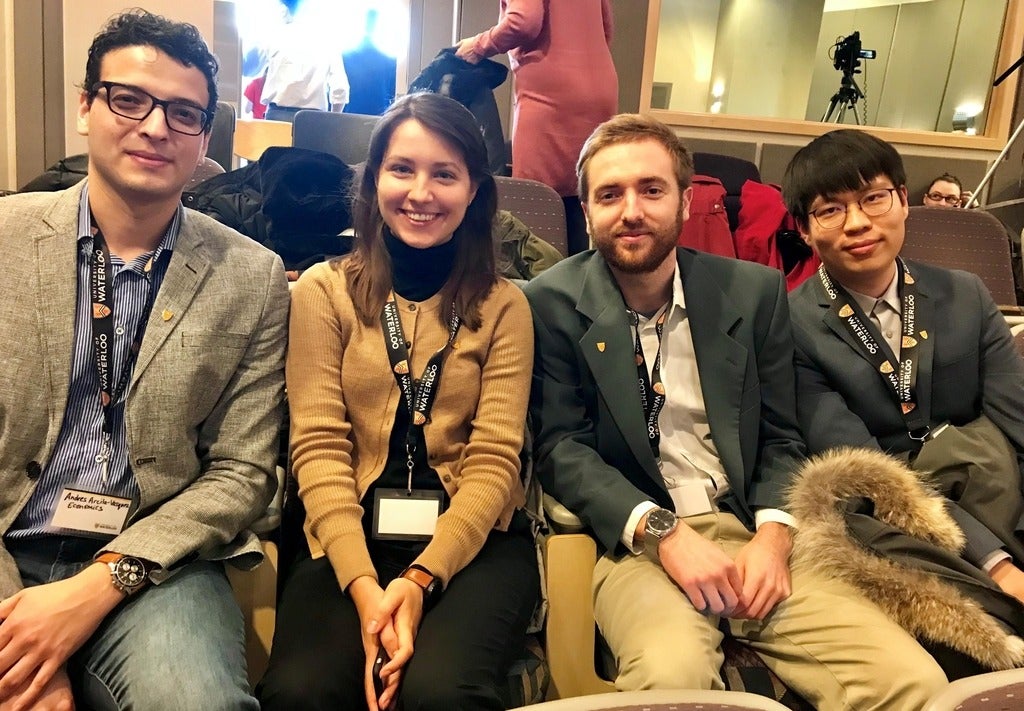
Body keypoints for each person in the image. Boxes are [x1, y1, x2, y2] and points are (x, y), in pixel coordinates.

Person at [524, 113, 947, 709]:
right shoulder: (548, 303)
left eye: (651, 189)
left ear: (685, 199)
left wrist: (774, 537)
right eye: (609, 195)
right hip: (638, 545)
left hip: (752, 531)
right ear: (587, 211)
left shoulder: (753, 293)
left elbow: (780, 437)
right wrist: (663, 533)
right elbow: (561, 447)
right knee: (670, 682)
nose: (632, 211)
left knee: (913, 683)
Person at [0, 9, 289, 710]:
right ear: (84, 106)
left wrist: (101, 582)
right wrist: (25, 641)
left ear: (203, 135)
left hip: (155, 561)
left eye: (184, 113)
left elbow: (244, 471)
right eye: (129, 99)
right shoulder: (4, 242)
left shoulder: (252, 275)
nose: (157, 127)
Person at [257, 91, 539, 711]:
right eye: (402, 169)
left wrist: (418, 579)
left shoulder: (505, 306)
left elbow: (495, 461)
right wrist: (365, 589)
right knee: (301, 692)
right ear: (374, 180)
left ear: (473, 192)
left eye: (445, 174)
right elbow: (319, 448)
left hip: (473, 540)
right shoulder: (324, 293)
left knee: (443, 694)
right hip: (344, 534)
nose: (421, 193)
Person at [783, 129, 1024, 672]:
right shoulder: (791, 325)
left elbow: (1018, 419)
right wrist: (999, 564)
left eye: (873, 197)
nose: (858, 223)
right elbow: (865, 468)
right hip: (896, 518)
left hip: (991, 487)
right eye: (830, 209)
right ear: (803, 229)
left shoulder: (965, 294)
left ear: (903, 200)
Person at [456, 0, 618, 256]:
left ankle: (541, 288)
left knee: (536, 201)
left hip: (551, 96)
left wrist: (478, 46)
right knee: (580, 195)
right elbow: (607, 27)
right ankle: (575, 286)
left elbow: (524, 20)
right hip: (600, 85)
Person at [261, 0, 349, 122]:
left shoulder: (275, 34)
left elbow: (250, 68)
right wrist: (332, 120)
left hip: (277, 116)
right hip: (313, 121)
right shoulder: (327, 40)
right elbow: (340, 89)